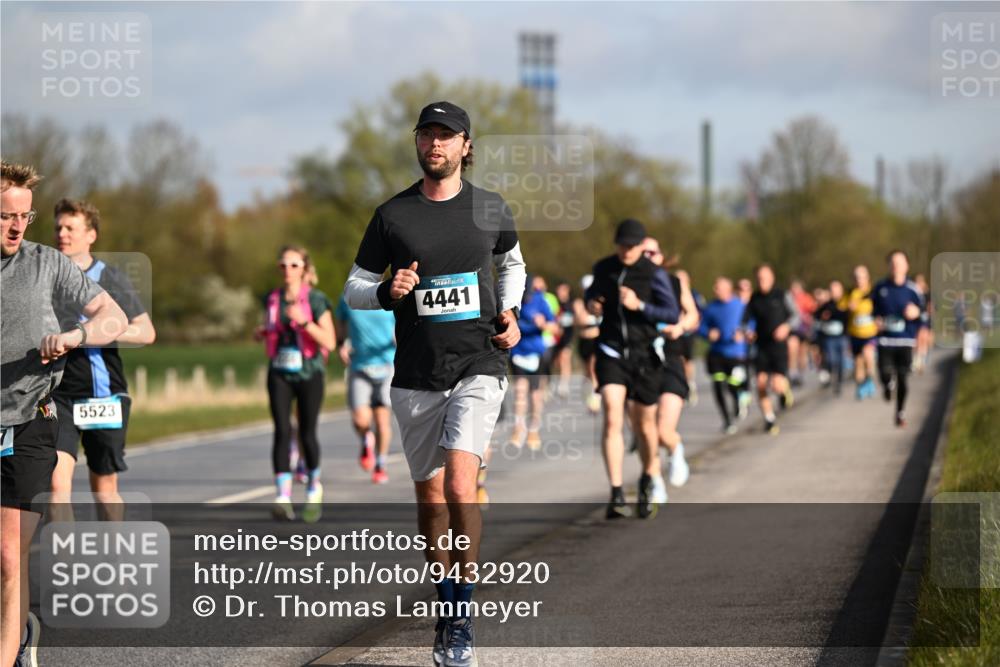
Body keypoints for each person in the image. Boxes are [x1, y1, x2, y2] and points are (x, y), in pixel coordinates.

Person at [343, 101, 525, 667]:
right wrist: (386, 292)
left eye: (446, 136)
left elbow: (512, 264)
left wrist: (512, 311)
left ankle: (463, 616)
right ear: (417, 144)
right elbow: (353, 286)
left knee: (459, 487)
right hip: (416, 375)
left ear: (466, 146)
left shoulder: (490, 208)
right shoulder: (392, 215)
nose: (436, 144)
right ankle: (444, 605)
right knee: (428, 496)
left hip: (479, 364)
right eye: (427, 135)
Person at [2, 161, 128, 667]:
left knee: (9, 556)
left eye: (25, 217)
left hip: (31, 418)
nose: (16, 226)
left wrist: (76, 336)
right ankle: (21, 628)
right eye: (6, 216)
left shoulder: (47, 265)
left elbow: (113, 317)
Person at [49, 199, 157, 523]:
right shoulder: (46, 275)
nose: (63, 234)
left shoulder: (110, 278)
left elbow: (147, 332)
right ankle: (64, 568)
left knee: (104, 487)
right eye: (58, 227)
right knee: (56, 486)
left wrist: (93, 331)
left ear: (90, 235)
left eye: (71, 228)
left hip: (103, 394)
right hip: (58, 396)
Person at [585, 219, 679, 520]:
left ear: (641, 246)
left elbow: (672, 312)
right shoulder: (603, 268)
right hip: (611, 351)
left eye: (632, 246)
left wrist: (641, 306)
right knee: (613, 414)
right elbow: (591, 297)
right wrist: (592, 305)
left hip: (645, 355)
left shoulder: (654, 274)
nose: (626, 250)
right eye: (622, 245)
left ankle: (648, 477)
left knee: (644, 425)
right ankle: (615, 493)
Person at [256, 245, 335, 523]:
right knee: (280, 430)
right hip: (279, 371)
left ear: (304, 268)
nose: (288, 270)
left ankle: (314, 489)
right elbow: (271, 327)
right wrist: (263, 332)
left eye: (294, 265)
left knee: (306, 432)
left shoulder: (316, 300)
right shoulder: (272, 299)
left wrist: (304, 323)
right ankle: (282, 497)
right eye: (283, 265)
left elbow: (330, 341)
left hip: (310, 373)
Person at [642, 239, 696, 504]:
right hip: (642, 362)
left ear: (661, 257)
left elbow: (693, 315)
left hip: (671, 359)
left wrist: (680, 327)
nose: (648, 256)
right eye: (643, 252)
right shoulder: (629, 286)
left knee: (663, 430)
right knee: (647, 431)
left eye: (653, 252)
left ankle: (676, 450)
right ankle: (656, 483)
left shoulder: (674, 283)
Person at [335, 294, 396, 484]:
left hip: (386, 365)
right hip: (359, 366)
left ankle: (380, 464)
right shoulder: (348, 297)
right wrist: (341, 345)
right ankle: (366, 439)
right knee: (360, 420)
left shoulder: (391, 294)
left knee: (382, 421)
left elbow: (399, 325)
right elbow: (341, 324)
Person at [741, 264, 799, 435]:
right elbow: (744, 321)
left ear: (772, 278)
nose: (762, 281)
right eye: (759, 278)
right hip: (761, 346)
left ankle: (784, 390)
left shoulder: (782, 295)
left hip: (779, 346)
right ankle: (769, 419)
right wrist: (748, 332)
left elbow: (796, 316)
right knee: (760, 383)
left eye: (765, 277)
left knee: (776, 385)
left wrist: (786, 327)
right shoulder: (754, 298)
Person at [872, 250, 924, 427]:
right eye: (893, 263)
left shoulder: (913, 290)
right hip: (885, 340)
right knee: (885, 372)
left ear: (906, 266)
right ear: (889, 266)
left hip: (906, 340)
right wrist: (876, 320)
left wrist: (916, 313)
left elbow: (925, 314)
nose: (896, 267)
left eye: (900, 263)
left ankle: (900, 412)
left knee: (903, 378)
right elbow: (872, 311)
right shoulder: (880, 288)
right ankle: (887, 386)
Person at [508, 276, 557, 450]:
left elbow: (554, 327)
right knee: (520, 391)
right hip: (518, 352)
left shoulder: (540, 300)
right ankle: (518, 428)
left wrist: (543, 324)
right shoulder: (510, 299)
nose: (526, 298)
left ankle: (534, 429)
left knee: (535, 395)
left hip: (536, 353)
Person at [700, 277, 750, 433]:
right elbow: (700, 326)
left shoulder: (740, 305)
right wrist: (708, 333)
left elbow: (752, 322)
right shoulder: (711, 308)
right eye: (715, 288)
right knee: (718, 384)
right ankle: (727, 419)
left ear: (728, 289)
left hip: (736, 353)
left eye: (719, 288)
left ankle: (738, 401)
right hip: (717, 353)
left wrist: (743, 332)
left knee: (733, 383)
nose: (716, 291)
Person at [841, 265, 878, 400]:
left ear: (867, 278)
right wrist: (848, 308)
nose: (859, 280)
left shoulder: (873, 292)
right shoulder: (850, 293)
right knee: (858, 363)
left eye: (862, 277)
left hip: (870, 333)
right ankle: (861, 385)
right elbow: (841, 307)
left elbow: (881, 306)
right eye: (856, 277)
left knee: (868, 354)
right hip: (854, 334)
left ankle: (870, 381)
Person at [573, 275, 602, 413]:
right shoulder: (579, 303)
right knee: (587, 371)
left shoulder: (598, 302)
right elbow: (579, 320)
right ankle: (589, 393)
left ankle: (595, 398)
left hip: (595, 340)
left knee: (593, 368)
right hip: (583, 341)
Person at [815, 280, 849, 395]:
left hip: (841, 336)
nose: (834, 293)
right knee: (831, 359)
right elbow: (817, 315)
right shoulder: (826, 305)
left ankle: (839, 382)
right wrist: (823, 316)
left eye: (836, 290)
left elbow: (848, 317)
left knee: (840, 361)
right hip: (829, 337)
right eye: (832, 290)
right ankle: (828, 373)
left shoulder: (845, 303)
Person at [787, 279, 816, 388]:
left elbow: (813, 310)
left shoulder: (806, 298)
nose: (795, 291)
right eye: (793, 288)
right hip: (793, 329)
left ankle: (801, 373)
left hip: (804, 329)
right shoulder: (788, 299)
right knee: (792, 347)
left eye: (797, 288)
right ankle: (793, 372)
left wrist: (808, 318)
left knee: (802, 352)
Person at [551, 280, 575, 399]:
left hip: (567, 336)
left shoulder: (572, 304)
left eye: (563, 290)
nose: (560, 292)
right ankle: (553, 381)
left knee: (565, 358)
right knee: (556, 361)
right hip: (555, 337)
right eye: (558, 290)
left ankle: (564, 385)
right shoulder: (554, 303)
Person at [912, 274, 933, 373]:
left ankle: (921, 362)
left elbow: (932, 308)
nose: (919, 284)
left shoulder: (927, 294)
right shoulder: (912, 293)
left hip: (925, 319)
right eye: (917, 282)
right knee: (917, 340)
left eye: (920, 282)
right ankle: (916, 360)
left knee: (923, 339)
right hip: (914, 320)